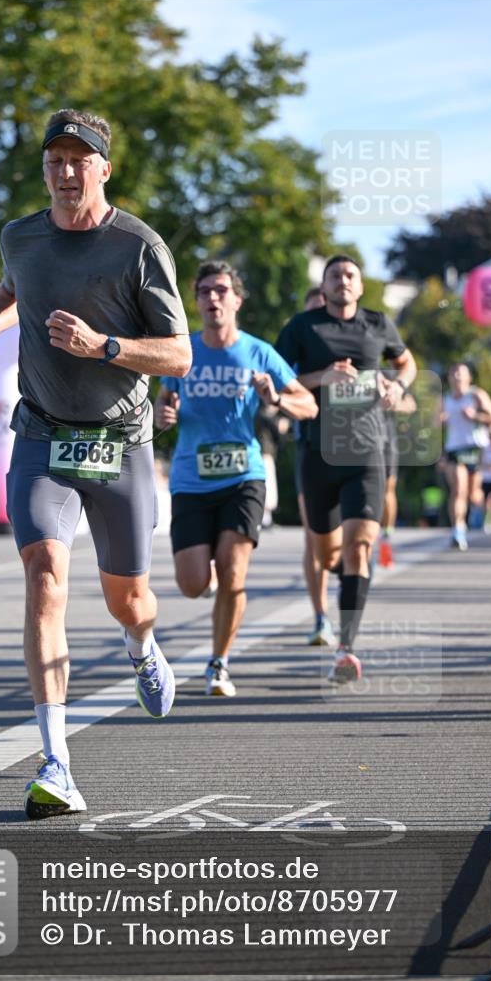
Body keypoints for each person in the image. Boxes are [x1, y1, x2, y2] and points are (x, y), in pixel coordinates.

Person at [0, 108, 191, 818]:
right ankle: (56, 762)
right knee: (45, 577)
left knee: (130, 600)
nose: (64, 173)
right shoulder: (19, 237)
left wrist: (104, 348)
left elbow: (178, 353)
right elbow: (14, 287)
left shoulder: (139, 248)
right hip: (42, 436)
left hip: (119, 442)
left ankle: (141, 644)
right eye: (53, 160)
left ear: (103, 169)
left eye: (78, 160)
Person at [154, 261, 317, 697]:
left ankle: (218, 663)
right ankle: (211, 596)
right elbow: (160, 406)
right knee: (192, 584)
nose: (212, 298)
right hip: (191, 478)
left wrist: (277, 397)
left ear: (237, 299)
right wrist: (161, 415)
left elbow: (309, 406)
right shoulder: (181, 352)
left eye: (221, 290)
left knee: (233, 570)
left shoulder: (259, 352)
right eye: (204, 291)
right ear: (197, 301)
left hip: (245, 475)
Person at [276, 255, 417, 684]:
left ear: (359, 285)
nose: (343, 280)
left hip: (367, 450)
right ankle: (340, 583)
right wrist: (322, 377)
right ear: (325, 284)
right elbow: (278, 375)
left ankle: (347, 646)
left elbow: (406, 363)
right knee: (327, 555)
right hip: (318, 453)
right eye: (335, 275)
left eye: (350, 275)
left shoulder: (378, 324)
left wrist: (397, 385)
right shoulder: (304, 326)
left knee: (359, 547)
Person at [294, 287, 337, 647]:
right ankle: (321, 616)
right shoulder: (298, 344)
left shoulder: (353, 342)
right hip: (310, 446)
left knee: (347, 542)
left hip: (355, 449)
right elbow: (285, 384)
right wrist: (321, 377)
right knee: (313, 536)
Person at [440, 363, 491, 550]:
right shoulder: (445, 399)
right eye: (454, 373)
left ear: (468, 378)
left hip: (474, 448)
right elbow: (433, 424)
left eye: (460, 373)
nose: (457, 377)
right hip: (454, 449)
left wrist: (475, 416)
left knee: (474, 495)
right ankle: (458, 529)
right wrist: (438, 421)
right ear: (449, 378)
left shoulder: (476, 395)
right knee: (458, 489)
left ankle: (476, 511)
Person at [378, 373, 417, 568]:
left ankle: (386, 535)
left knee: (388, 487)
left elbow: (411, 404)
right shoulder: (354, 368)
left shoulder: (390, 375)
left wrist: (391, 402)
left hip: (386, 440)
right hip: (356, 440)